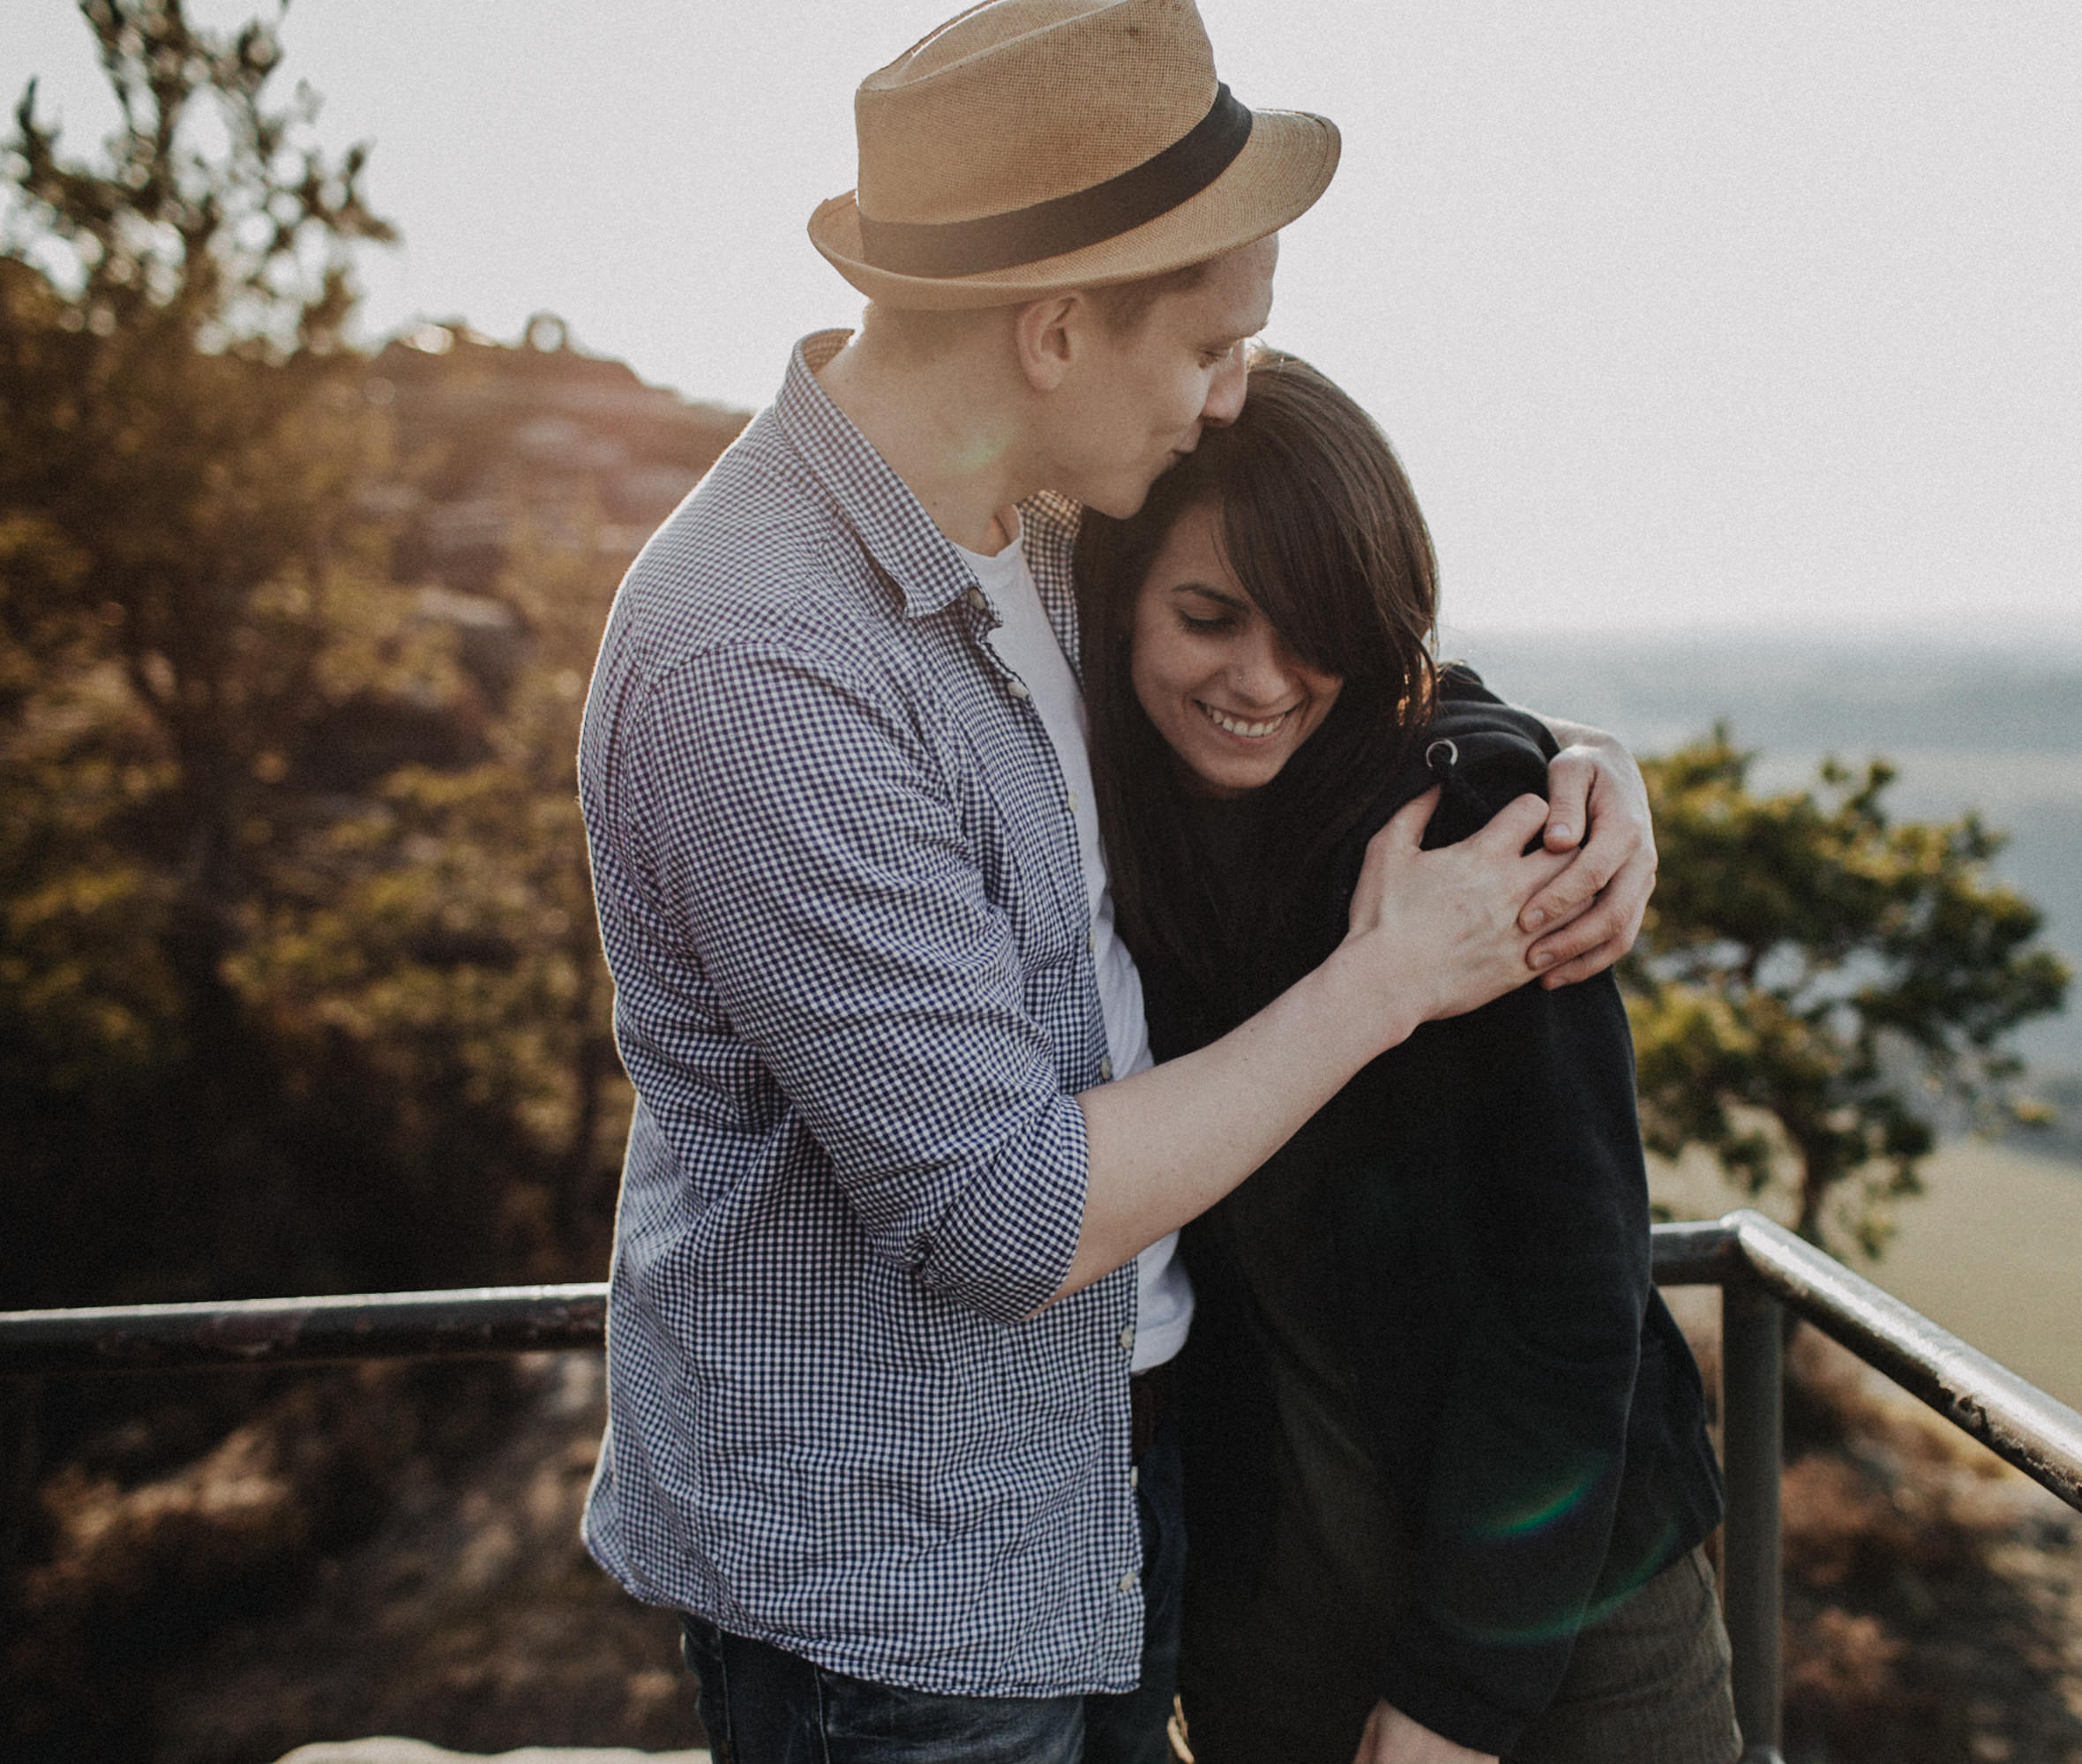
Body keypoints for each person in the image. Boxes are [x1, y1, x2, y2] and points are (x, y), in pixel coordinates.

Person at [574, 3, 1666, 1760]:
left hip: (1111, 1501)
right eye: (1217, 347)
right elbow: (1004, 1217)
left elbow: (1301, 648)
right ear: (1061, 329)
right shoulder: (764, 655)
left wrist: (1570, 771)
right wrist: (1389, 977)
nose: (1233, 395)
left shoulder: (1048, 527)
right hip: (901, 1597)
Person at [1074, 353, 1737, 1764]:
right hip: (1272, 1604)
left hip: (1558, 1606)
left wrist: (1455, 1702)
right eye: (1206, 616)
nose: (1258, 680)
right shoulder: (1117, 814)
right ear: (1121, 594)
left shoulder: (1475, 826)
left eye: (1313, 627)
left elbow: (1576, 1295)